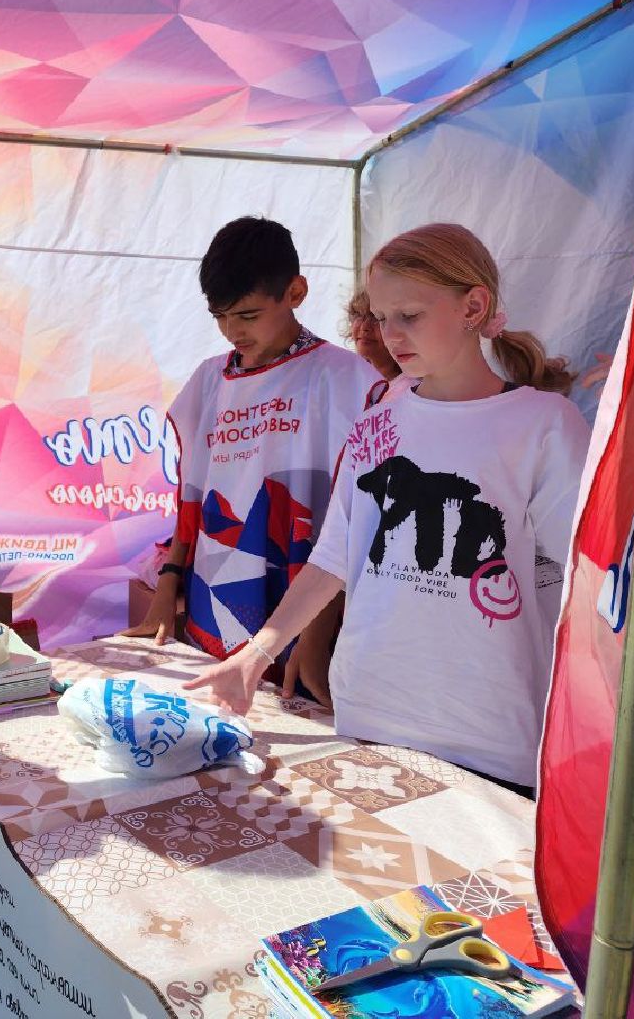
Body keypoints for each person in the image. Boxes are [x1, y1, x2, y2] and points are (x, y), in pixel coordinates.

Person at [185, 223, 588, 795]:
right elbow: (334, 556)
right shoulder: (378, 420)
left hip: (492, 737)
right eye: (380, 316)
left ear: (474, 306)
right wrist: (254, 657)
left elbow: (584, 580)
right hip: (369, 715)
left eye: (410, 315)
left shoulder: (544, 424)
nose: (389, 334)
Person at [123, 217, 381, 691]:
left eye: (246, 315)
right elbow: (192, 501)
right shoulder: (208, 381)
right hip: (214, 598)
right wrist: (167, 587)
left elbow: (357, 519)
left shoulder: (345, 378)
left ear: (296, 292)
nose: (230, 331)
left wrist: (319, 629)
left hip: (310, 611)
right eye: (219, 316)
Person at [343, 289, 401, 381]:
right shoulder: (342, 379)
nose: (365, 327)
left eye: (376, 317)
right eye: (358, 315)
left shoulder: (416, 389)